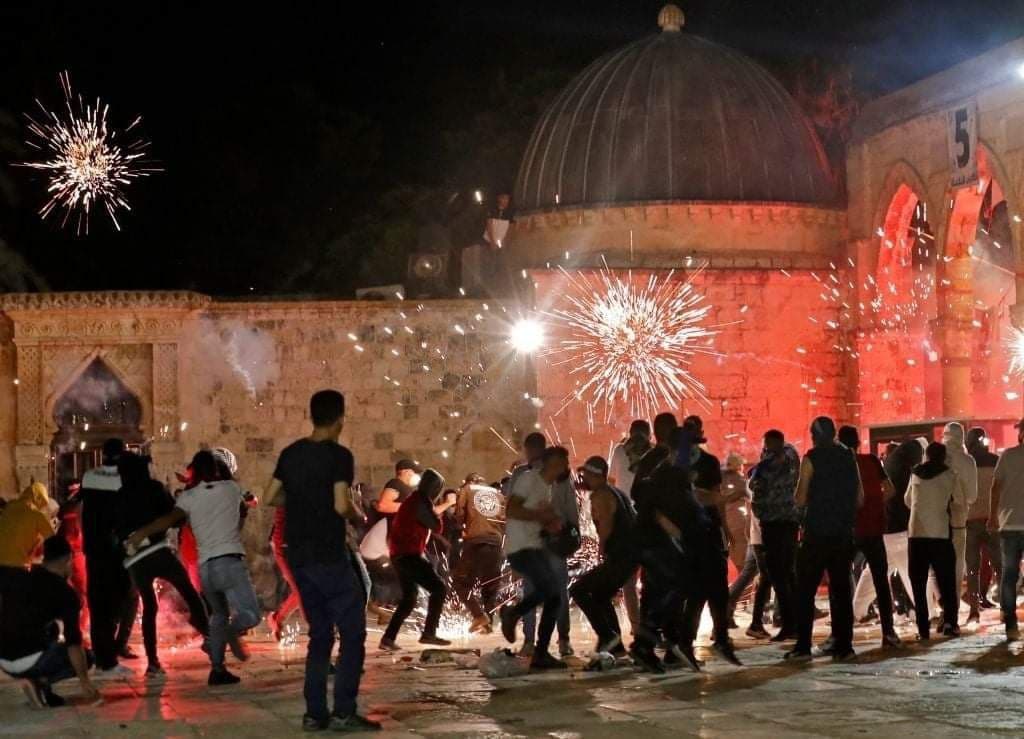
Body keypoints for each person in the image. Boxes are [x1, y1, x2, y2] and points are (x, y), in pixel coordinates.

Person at [263, 389, 379, 732]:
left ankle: (315, 714)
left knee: (320, 635)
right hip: (328, 552)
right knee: (353, 630)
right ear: (340, 418)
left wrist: (300, 499)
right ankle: (344, 711)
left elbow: (270, 495)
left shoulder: (291, 453)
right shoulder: (339, 455)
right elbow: (342, 503)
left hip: (298, 554)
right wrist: (357, 516)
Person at [128, 451, 260, 687]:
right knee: (251, 614)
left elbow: (168, 520)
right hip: (229, 562)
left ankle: (218, 670)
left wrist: (141, 534)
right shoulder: (230, 488)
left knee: (217, 615)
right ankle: (229, 633)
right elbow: (240, 512)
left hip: (205, 566)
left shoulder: (188, 497)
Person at [116, 453, 210, 677]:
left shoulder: (119, 495)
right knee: (189, 592)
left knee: (149, 607)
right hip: (159, 552)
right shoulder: (154, 488)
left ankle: (153, 663)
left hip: (136, 559)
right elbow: (175, 517)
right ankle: (210, 637)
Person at [785, 417, 862, 663]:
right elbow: (860, 498)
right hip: (842, 534)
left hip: (817, 533)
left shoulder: (811, 459)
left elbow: (799, 498)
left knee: (805, 590)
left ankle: (803, 645)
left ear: (815, 435)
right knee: (841, 590)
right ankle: (844, 645)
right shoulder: (849, 457)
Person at [0, 536, 100, 708]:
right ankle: (39, 680)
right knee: (88, 657)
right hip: (29, 659)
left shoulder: (20, 576)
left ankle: (42, 690)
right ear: (68, 559)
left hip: (3, 660)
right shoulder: (66, 593)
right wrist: (85, 681)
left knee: (52, 628)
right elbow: (73, 643)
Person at [499, 445, 572, 670]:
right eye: (564, 462)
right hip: (521, 547)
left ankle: (541, 653)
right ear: (553, 462)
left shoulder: (545, 488)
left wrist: (551, 524)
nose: (566, 467)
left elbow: (535, 516)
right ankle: (513, 613)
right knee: (549, 591)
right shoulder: (529, 480)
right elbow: (511, 510)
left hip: (535, 546)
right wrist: (540, 516)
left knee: (554, 597)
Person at [679, 416, 740, 666]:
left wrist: (724, 526)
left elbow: (710, 497)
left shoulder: (693, 463)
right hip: (697, 532)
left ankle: (715, 638)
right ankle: (708, 639)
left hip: (703, 531)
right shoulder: (683, 464)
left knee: (710, 589)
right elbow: (711, 497)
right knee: (703, 590)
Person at [379, 469, 457, 650]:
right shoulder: (420, 502)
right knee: (439, 589)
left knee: (409, 598)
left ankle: (388, 638)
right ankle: (429, 633)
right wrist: (438, 509)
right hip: (408, 554)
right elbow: (436, 526)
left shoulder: (415, 500)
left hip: (400, 554)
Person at [837, 426, 900, 649]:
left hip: (849, 529)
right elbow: (890, 489)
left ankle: (841, 635)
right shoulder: (872, 461)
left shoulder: (839, 464)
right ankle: (888, 632)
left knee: (842, 582)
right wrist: (877, 504)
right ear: (858, 443)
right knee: (881, 581)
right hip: (874, 527)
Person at [80, 439, 137, 676]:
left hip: (94, 550)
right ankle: (111, 656)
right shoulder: (125, 479)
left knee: (99, 604)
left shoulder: (89, 476)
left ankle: (105, 657)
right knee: (124, 599)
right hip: (117, 551)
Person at [570, 456, 637, 656]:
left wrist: (601, 548)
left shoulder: (600, 495)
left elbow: (606, 524)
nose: (582, 479)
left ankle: (608, 636)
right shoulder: (616, 492)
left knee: (578, 590)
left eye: (585, 475)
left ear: (594, 475)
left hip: (620, 555)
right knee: (600, 594)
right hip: (630, 554)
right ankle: (616, 647)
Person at [853, 439, 923, 624]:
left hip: (886, 528)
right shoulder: (905, 471)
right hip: (899, 529)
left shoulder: (892, 464)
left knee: (875, 572)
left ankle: (856, 610)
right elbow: (906, 500)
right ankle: (925, 612)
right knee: (910, 572)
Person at [521, 446, 579, 659]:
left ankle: (542, 641)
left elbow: (572, 512)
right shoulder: (541, 480)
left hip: (548, 543)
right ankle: (548, 640)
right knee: (547, 592)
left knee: (543, 592)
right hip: (540, 543)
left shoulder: (559, 481)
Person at [905, 442, 964, 640]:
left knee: (918, 583)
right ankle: (950, 623)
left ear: (927, 456)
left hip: (916, 534)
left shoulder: (915, 473)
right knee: (946, 581)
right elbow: (960, 501)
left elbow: (907, 499)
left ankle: (923, 629)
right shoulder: (950, 474)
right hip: (940, 533)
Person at [748, 429, 800, 641]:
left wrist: (760, 512)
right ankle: (796, 622)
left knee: (778, 575)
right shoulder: (793, 457)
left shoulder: (767, 464)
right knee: (789, 574)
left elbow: (754, 484)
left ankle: (789, 624)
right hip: (790, 521)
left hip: (772, 523)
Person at [608, 420, 651, 635]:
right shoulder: (653, 454)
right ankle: (650, 623)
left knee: (629, 579)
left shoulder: (619, 451)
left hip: (625, 519)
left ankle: (636, 625)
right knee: (651, 575)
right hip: (648, 518)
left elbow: (611, 481)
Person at [451, 475, 506, 634]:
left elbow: (459, 515)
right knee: (490, 584)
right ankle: (488, 623)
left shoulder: (467, 489)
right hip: (495, 542)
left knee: (461, 582)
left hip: (476, 541)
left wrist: (463, 526)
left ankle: (478, 616)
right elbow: (504, 519)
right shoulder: (497, 493)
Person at [989, 419, 1024, 640]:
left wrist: (992, 517)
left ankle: (1010, 621)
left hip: (1009, 524)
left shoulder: (1007, 456)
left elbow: (996, 487)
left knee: (1009, 575)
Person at [965, 426, 1000, 622]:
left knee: (972, 567)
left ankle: (973, 610)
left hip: (970, 520)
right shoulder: (996, 461)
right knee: (1000, 565)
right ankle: (1006, 608)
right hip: (992, 519)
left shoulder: (966, 463)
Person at [941, 423, 978, 608]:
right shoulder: (967, 461)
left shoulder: (932, 457)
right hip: (958, 520)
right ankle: (952, 608)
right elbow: (972, 496)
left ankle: (942, 604)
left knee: (937, 567)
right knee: (956, 566)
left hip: (935, 521)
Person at [0, 481, 54, 568]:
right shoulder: (36, 515)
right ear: (39, 499)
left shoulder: (9, 507)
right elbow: (53, 541)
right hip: (17, 566)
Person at [721, 453, 749, 572]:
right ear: (739, 466)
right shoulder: (740, 480)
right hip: (740, 520)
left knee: (734, 550)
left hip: (727, 520)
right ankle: (745, 585)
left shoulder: (721, 479)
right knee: (743, 552)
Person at [376, 460, 421, 528]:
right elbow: (382, 506)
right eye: (413, 472)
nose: (415, 475)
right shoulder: (395, 483)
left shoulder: (405, 487)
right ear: (404, 471)